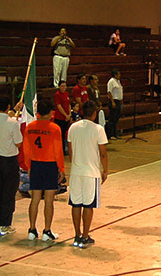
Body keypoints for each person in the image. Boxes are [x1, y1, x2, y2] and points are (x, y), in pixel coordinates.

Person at [67, 101, 108, 248]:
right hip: (91, 173)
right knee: (88, 205)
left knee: (76, 204)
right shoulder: (98, 129)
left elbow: (70, 152)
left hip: (76, 172)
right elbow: (103, 154)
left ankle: (77, 235)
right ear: (95, 113)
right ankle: (85, 235)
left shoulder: (73, 127)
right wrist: (105, 170)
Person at [23, 99, 65, 241]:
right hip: (50, 165)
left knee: (34, 199)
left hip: (35, 164)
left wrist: (29, 165)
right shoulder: (54, 128)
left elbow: (26, 149)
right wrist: (61, 168)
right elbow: (57, 150)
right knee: (48, 200)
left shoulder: (30, 127)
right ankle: (47, 231)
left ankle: (32, 229)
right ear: (51, 112)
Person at [0, 97, 23, 236]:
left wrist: (15, 109)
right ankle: (5, 223)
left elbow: (2, 118)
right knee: (8, 194)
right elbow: (18, 143)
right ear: (7, 107)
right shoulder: (13, 123)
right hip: (9, 160)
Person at [54, 81, 71, 155]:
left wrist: (69, 114)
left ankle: (65, 148)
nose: (64, 88)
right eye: (62, 86)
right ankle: (61, 150)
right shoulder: (57, 95)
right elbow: (59, 106)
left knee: (65, 134)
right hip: (60, 118)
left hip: (66, 118)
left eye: (65, 86)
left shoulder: (66, 94)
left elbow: (69, 104)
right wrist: (65, 115)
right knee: (60, 135)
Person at [106, 69, 123, 140]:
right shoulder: (111, 81)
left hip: (118, 101)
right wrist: (112, 101)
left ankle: (115, 133)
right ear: (115, 75)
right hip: (114, 101)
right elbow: (109, 92)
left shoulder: (118, 82)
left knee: (116, 118)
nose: (120, 75)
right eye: (118, 74)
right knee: (112, 118)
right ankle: (110, 134)